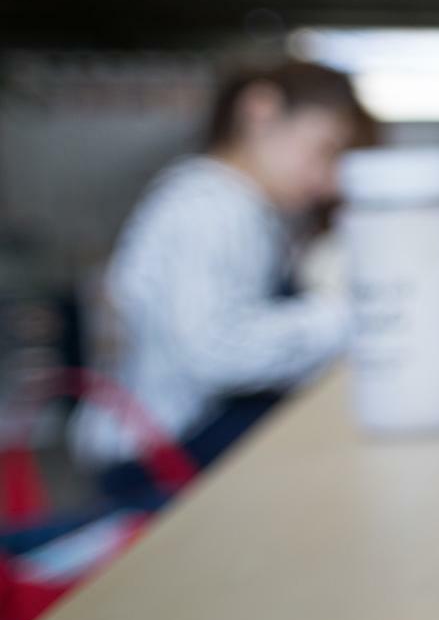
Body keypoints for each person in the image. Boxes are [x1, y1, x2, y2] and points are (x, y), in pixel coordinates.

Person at [73, 62, 371, 493]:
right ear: (262, 110)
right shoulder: (209, 207)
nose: (328, 182)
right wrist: (350, 317)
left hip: (177, 451)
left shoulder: (244, 209)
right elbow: (217, 350)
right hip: (160, 464)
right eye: (324, 150)